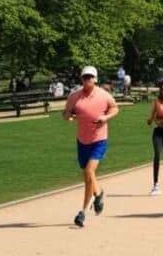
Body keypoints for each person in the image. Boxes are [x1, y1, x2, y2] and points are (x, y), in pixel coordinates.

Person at [63, 66, 119, 227]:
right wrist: (69, 116)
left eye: (90, 77)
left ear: (95, 79)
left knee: (89, 172)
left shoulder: (104, 95)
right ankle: (99, 193)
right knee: (88, 176)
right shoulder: (74, 97)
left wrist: (105, 117)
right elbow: (66, 112)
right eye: (85, 77)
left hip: (99, 139)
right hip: (82, 141)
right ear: (81, 79)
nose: (88, 80)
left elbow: (115, 108)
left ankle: (83, 212)